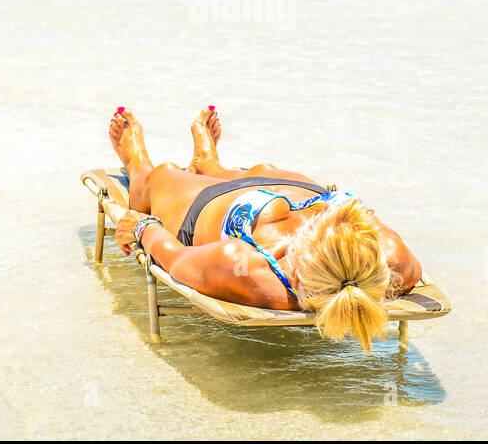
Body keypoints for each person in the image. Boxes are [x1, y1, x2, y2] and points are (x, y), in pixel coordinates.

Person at [107, 106, 422, 350]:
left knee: (162, 176)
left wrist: (143, 226)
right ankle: (209, 163)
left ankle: (139, 169)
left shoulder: (247, 269)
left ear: (297, 270)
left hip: (210, 205)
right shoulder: (393, 259)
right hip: (295, 190)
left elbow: (175, 259)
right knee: (263, 170)